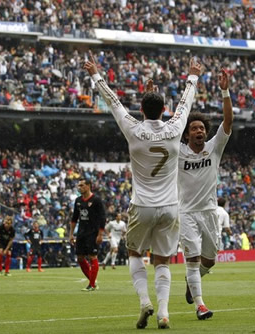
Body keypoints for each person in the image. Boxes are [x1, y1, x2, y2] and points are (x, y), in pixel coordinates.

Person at [84, 51, 202, 329]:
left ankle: (144, 302)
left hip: (142, 205)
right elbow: (185, 103)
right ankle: (163, 312)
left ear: (141, 109)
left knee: (135, 254)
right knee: (162, 261)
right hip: (170, 207)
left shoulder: (134, 129)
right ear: (164, 110)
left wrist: (95, 74)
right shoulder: (175, 128)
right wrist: (193, 76)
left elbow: (113, 102)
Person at [178, 68, 233, 320]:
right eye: (194, 128)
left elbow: (228, 122)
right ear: (187, 133)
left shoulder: (214, 148)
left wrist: (224, 91)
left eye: (202, 128)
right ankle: (200, 305)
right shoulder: (178, 152)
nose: (199, 131)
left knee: (209, 262)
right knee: (192, 258)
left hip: (209, 212)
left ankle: (193, 283)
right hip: (186, 212)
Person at [69, 178, 106, 291]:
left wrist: (100, 234)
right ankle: (93, 282)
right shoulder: (78, 200)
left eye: (82, 185)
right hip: (81, 233)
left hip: (93, 233)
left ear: (88, 186)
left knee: (92, 256)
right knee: (80, 258)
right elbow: (74, 218)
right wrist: (71, 234)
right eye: (79, 185)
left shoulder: (96, 200)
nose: (79, 187)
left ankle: (91, 284)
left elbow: (103, 218)